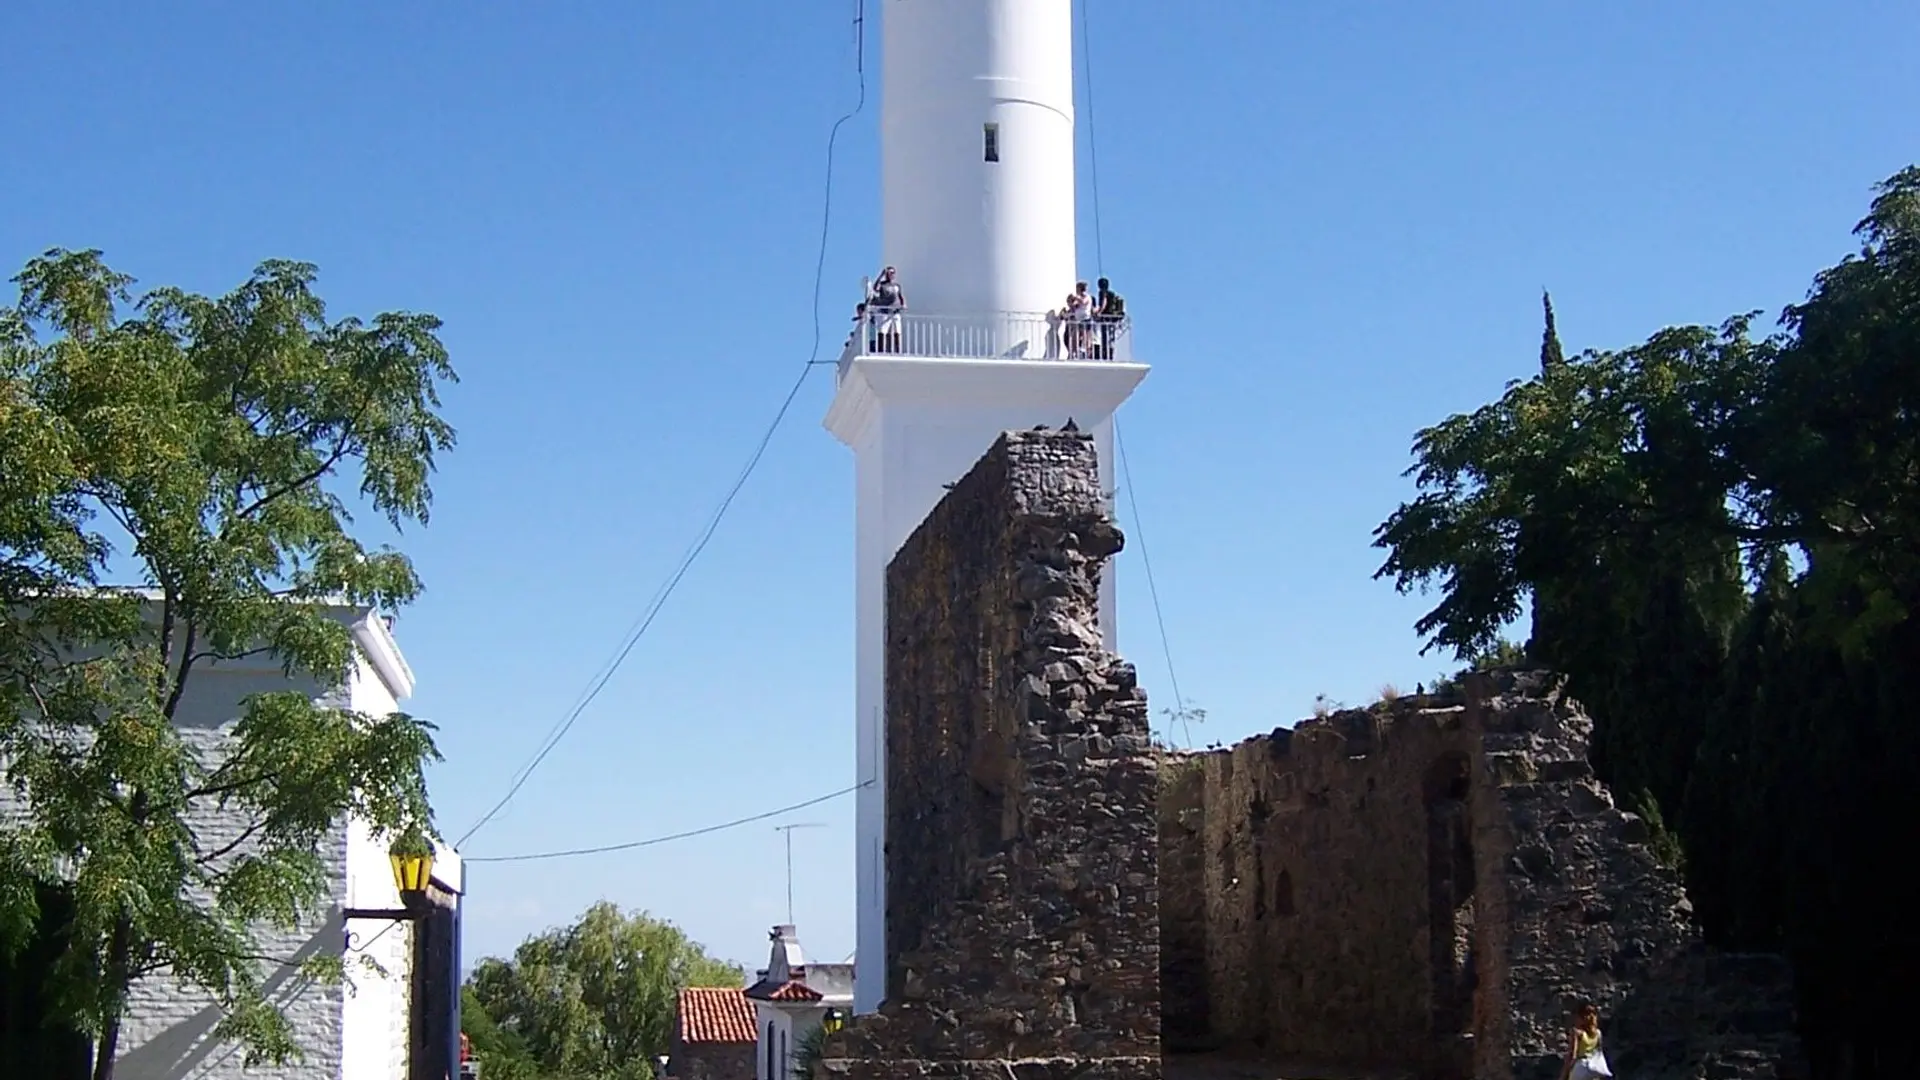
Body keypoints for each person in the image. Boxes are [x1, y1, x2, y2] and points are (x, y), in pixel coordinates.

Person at [1561, 1002, 1611, 1080]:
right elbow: (1599, 1053)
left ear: (1581, 1017)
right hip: (1592, 1069)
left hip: (1580, 1068)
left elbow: (1572, 1055)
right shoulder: (1598, 1033)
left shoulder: (1577, 1032)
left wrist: (1564, 1075)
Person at [868, 266, 906, 353]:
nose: (891, 275)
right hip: (885, 312)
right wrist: (881, 275)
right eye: (889, 273)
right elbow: (875, 288)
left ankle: (897, 351)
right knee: (883, 331)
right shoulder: (882, 284)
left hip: (895, 312)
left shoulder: (897, 286)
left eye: (892, 273)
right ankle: (881, 350)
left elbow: (900, 296)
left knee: (897, 331)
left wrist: (903, 304)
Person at [1093, 276, 1125, 359]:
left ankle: (1105, 353)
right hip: (1112, 318)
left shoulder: (1102, 292)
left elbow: (1104, 302)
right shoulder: (1112, 293)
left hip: (1105, 318)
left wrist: (1099, 312)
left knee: (1105, 336)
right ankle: (1110, 353)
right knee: (1111, 337)